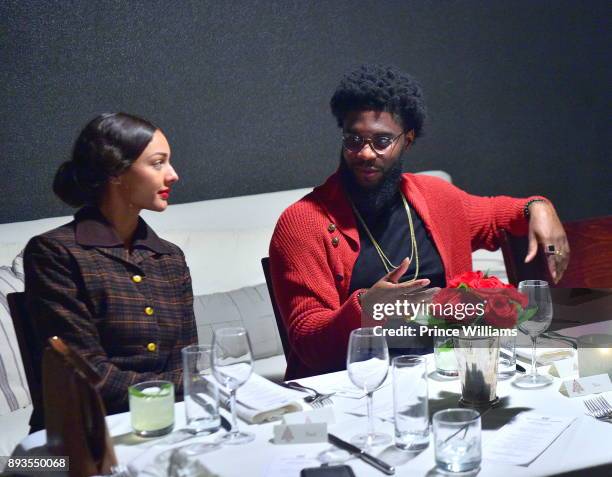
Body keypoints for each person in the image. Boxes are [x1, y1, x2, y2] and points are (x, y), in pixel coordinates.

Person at [269, 64, 570, 379]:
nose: (365, 153)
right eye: (353, 140)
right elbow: (307, 343)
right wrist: (367, 309)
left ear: (407, 141)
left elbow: (500, 215)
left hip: (443, 374)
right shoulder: (302, 222)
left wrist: (540, 207)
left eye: (381, 141)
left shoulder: (435, 197)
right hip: (356, 385)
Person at [24, 113, 197, 425]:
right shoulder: (55, 253)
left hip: (166, 424)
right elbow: (87, 376)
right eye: (158, 163)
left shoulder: (169, 258)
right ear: (116, 172)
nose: (173, 175)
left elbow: (189, 364)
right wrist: (179, 386)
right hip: (84, 440)